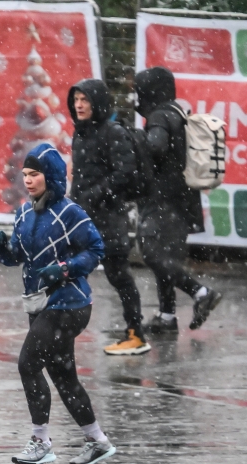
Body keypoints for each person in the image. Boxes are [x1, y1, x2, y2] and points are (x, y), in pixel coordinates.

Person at [0, 144, 116, 464]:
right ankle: (98, 441)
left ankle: (41, 440)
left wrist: (64, 268)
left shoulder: (70, 212)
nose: (29, 180)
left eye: (36, 174)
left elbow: (96, 249)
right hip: (40, 305)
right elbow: (20, 257)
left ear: (53, 177)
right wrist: (3, 250)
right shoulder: (24, 213)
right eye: (26, 174)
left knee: (28, 364)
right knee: (63, 376)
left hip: (70, 303)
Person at [134, 67, 222, 333]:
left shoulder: (159, 115)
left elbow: (155, 147)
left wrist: (134, 137)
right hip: (182, 201)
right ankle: (167, 316)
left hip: (163, 201)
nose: (137, 97)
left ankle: (201, 292)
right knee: (167, 257)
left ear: (150, 90)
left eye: (140, 90)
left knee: (150, 251)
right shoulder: (177, 111)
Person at [67, 79, 150, 355]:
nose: (79, 105)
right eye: (76, 99)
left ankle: (135, 334)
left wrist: (95, 195)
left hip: (107, 218)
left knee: (118, 275)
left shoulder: (112, 132)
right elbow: (80, 176)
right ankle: (61, 330)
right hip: (81, 218)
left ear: (97, 103)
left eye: (85, 100)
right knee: (70, 272)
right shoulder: (80, 133)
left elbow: (124, 173)